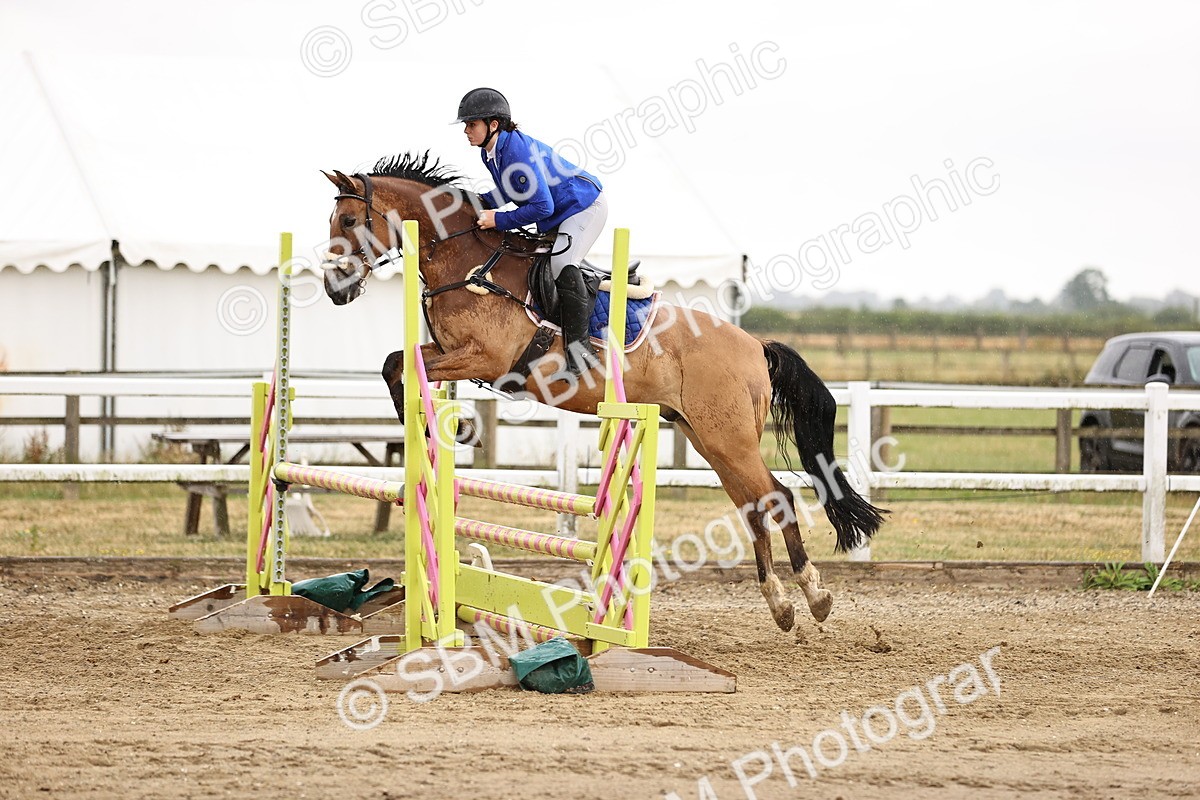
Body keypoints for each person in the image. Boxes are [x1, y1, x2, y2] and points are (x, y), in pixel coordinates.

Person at [455, 87, 608, 377]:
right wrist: (475, 203)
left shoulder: (515, 152)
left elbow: (542, 207)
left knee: (563, 263)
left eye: (471, 124)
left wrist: (498, 221)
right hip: (559, 212)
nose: (466, 130)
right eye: (466, 124)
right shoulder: (490, 153)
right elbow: (509, 191)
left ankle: (580, 350)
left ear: (493, 125)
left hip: (583, 206)